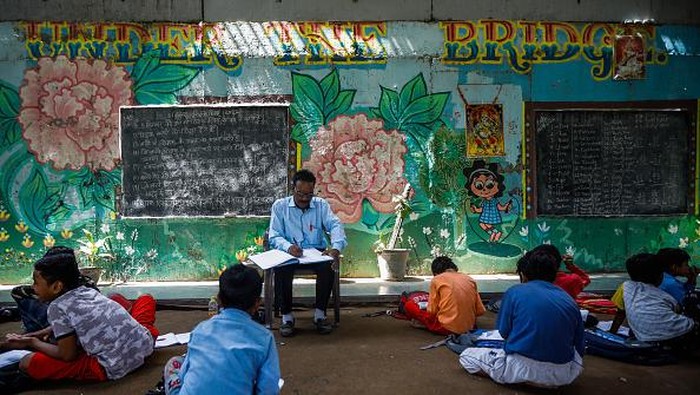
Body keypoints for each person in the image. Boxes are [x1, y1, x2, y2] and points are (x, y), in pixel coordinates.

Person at [2, 250, 156, 382]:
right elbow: (74, 321)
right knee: (145, 299)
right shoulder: (86, 291)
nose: (33, 287)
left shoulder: (56, 307)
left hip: (110, 366)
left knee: (28, 363)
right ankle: (126, 312)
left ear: (56, 286)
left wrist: (32, 342)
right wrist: (39, 334)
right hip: (144, 346)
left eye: (36, 283)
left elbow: (67, 355)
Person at [459, 249, 584, 387]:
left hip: (521, 366)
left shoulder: (514, 292)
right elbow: (579, 346)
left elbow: (504, 332)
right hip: (563, 374)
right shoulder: (568, 300)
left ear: (523, 275)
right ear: (554, 275)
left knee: (466, 356)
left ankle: (516, 378)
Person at [162, 264, 281, 395]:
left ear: (218, 299)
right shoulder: (264, 337)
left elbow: (185, 375)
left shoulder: (200, 330)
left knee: (174, 363)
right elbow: (269, 389)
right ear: (257, 303)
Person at [268, 169, 347, 336]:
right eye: (300, 193)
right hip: (290, 251)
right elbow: (274, 235)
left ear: (314, 191)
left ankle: (320, 315)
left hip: (315, 251)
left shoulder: (321, 205)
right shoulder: (280, 206)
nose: (304, 198)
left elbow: (335, 225)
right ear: (293, 189)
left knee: (328, 267)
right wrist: (288, 247)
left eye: (309, 194)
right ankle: (287, 317)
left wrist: (335, 248)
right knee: (282, 270)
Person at [621, 253, 698, 350]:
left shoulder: (627, 286)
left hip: (642, 336)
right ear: (660, 275)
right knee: (693, 298)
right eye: (686, 264)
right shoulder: (663, 293)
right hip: (671, 338)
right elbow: (679, 307)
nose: (689, 267)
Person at [405, 256, 485, 335]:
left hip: (446, 328)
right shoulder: (469, 279)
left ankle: (424, 324)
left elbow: (432, 311)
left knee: (409, 305)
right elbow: (480, 311)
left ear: (436, 273)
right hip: (470, 327)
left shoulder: (436, 279)